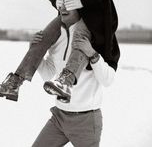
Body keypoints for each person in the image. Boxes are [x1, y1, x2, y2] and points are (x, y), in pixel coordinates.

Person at [32, 9, 115, 147]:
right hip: (59, 117)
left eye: (69, 4)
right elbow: (47, 73)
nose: (63, 8)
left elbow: (108, 80)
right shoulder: (58, 38)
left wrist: (93, 54)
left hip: (86, 120)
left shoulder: (96, 36)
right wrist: (36, 51)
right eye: (61, 4)